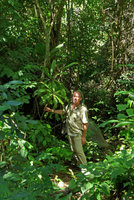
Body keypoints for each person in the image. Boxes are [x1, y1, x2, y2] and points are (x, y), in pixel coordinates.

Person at [44, 91, 88, 165]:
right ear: (72, 97)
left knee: (79, 151)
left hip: (77, 133)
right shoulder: (70, 106)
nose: (76, 98)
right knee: (73, 150)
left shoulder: (83, 109)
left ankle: (86, 170)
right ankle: (79, 165)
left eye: (77, 96)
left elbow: (85, 124)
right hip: (70, 132)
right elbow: (64, 112)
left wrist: (83, 137)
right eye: (74, 96)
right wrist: (51, 110)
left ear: (80, 98)